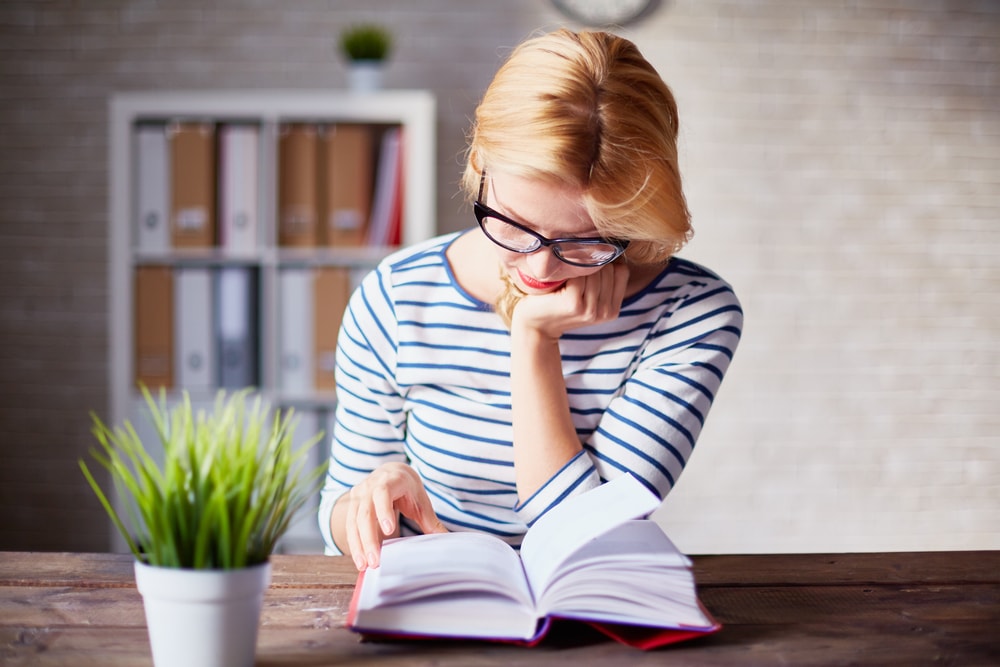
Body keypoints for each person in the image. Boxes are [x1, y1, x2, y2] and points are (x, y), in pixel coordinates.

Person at [318, 28, 743, 571]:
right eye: (515, 226)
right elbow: (335, 514)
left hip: (588, 608)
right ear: (479, 167)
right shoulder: (398, 296)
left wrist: (534, 338)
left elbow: (585, 536)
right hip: (434, 605)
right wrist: (368, 501)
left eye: (586, 239)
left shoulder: (693, 315)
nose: (540, 268)